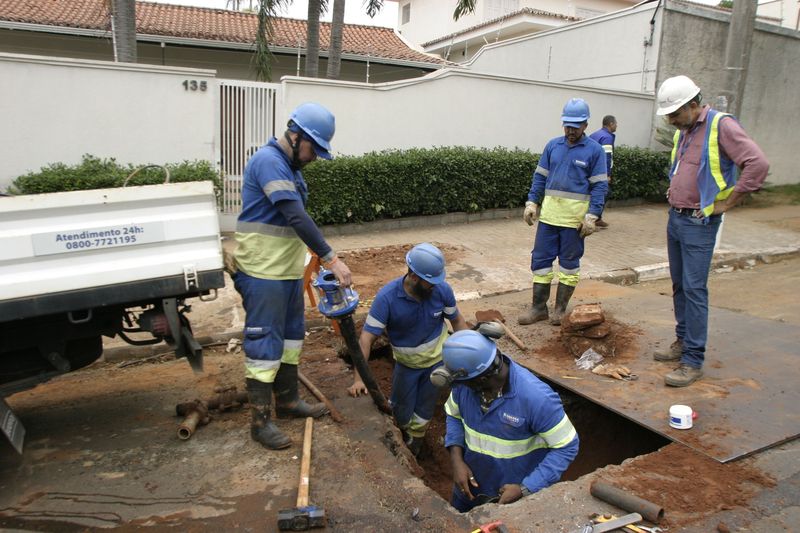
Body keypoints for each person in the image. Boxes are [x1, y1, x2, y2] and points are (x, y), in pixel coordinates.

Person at [233, 102, 353, 449]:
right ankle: (260, 423)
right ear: (295, 135)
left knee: (291, 338)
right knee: (264, 344)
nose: (314, 156)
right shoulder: (269, 162)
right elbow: (295, 216)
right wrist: (332, 259)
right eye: (313, 148)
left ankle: (287, 402)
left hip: (285, 272)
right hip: (261, 272)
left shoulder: (291, 169)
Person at [653, 75, 769, 387]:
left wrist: (728, 203)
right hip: (676, 218)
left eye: (675, 115)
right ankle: (681, 342)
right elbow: (685, 166)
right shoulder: (686, 131)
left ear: (693, 105)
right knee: (679, 286)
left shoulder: (722, 126)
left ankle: (693, 360)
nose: (672, 122)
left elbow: (757, 164)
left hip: (698, 224)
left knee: (694, 290)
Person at [348, 242, 468, 455]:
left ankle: (417, 443)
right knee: (401, 410)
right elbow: (366, 340)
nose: (435, 286)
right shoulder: (387, 298)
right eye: (430, 282)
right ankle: (401, 438)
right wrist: (359, 379)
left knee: (425, 409)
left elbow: (457, 321)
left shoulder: (441, 290)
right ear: (413, 276)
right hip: (407, 366)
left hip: (438, 364)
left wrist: (466, 353)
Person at [439, 329, 579, 512]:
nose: (459, 388)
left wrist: (526, 488)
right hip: (468, 489)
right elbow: (454, 415)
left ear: (481, 379)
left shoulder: (536, 399)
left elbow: (567, 446)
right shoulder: (465, 384)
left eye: (464, 383)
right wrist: (457, 461)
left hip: (512, 499)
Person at [519, 98, 609, 327]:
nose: (570, 130)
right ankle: (539, 308)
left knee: (569, 266)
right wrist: (531, 202)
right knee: (540, 262)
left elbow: (600, 185)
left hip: (574, 222)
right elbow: (539, 177)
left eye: (575, 126)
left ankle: (559, 310)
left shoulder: (595, 151)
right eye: (567, 126)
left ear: (585, 125)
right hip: (549, 218)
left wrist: (592, 216)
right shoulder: (553, 146)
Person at [589, 115, 617, 228]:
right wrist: (607, 174)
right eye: (615, 123)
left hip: (590, 169)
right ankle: (593, 218)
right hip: (599, 171)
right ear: (611, 124)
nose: (617, 125)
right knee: (602, 193)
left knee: (594, 193)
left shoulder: (594, 134)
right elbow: (607, 156)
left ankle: (597, 218)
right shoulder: (607, 137)